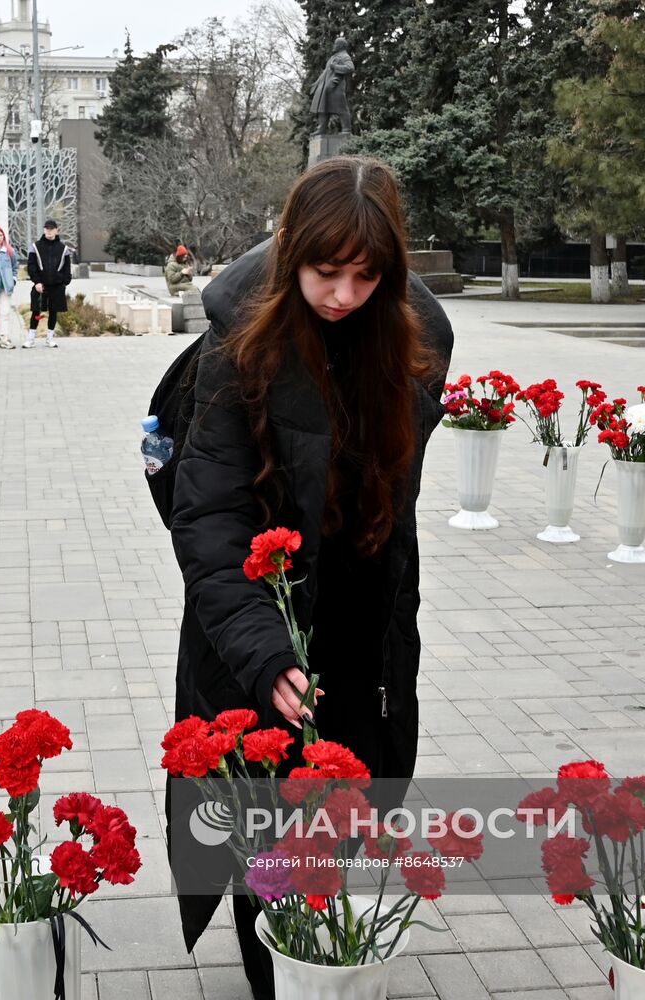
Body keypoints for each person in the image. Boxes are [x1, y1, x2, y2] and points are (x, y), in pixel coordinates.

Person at [166, 156, 453, 999]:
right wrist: (261, 649)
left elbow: (396, 504)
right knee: (263, 823)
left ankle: (317, 957)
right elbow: (211, 518)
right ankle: (275, 976)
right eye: (326, 273)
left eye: (366, 276)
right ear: (292, 253)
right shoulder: (239, 345)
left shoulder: (413, 340)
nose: (343, 294)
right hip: (263, 613)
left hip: (363, 618)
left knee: (343, 806)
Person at [24, 218, 73, 348]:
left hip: (57, 286)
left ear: (57, 231)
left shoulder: (64, 249)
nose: (49, 231)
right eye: (47, 228)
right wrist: (37, 282)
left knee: (53, 311)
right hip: (40, 286)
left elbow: (67, 268)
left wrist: (64, 282)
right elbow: (31, 266)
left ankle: (50, 338)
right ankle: (31, 339)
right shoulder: (35, 246)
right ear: (44, 230)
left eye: (51, 229)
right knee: (36, 311)